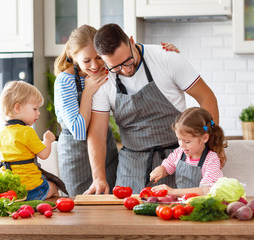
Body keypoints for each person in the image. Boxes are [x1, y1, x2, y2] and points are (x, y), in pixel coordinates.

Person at [84, 23, 220, 195]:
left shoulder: (166, 58)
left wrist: (212, 146)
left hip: (177, 159)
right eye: (116, 67)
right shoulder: (103, 79)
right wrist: (98, 177)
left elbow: (206, 97)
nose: (125, 70)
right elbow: (97, 132)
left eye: (128, 61)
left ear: (132, 41)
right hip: (131, 166)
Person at [54, 24, 180, 196]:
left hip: (105, 149)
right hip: (77, 154)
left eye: (99, 58)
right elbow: (79, 131)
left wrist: (167, 51)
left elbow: (127, 53)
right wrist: (88, 93)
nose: (94, 65)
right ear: (73, 57)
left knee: (109, 204)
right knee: (80, 210)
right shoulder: (65, 81)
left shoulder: (108, 70)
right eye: (86, 60)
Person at [0, 80, 66, 200]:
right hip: (32, 190)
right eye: (35, 109)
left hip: (12, 193)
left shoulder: (1, 133)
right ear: (17, 108)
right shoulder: (27, 131)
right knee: (54, 186)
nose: (38, 113)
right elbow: (44, 154)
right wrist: (47, 140)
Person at [149, 107, 227, 196]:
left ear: (204, 138)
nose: (182, 145)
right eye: (179, 139)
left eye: (187, 141)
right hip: (181, 204)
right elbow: (168, 165)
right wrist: (161, 169)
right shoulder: (179, 152)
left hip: (200, 204)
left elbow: (207, 190)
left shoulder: (211, 159)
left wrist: (172, 192)